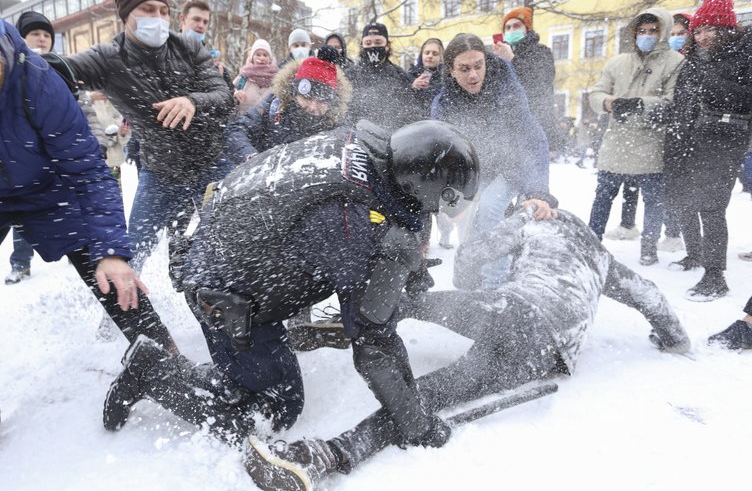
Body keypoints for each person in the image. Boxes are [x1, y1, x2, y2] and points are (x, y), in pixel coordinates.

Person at [243, 206, 691, 491]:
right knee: (424, 398)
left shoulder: (539, 223)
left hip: (513, 311)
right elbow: (652, 298)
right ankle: (329, 455)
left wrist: (520, 219)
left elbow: (476, 252)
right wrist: (673, 339)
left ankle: (361, 321)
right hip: (543, 353)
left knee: (413, 304)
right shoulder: (604, 259)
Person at [101, 120, 480, 455]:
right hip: (226, 292)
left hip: (234, 250)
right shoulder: (353, 221)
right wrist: (418, 426)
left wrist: (405, 269)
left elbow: (401, 217)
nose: (440, 210)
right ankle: (152, 373)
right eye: (445, 198)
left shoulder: (362, 149)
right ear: (421, 180)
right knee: (276, 406)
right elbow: (374, 347)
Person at [0, 0, 176, 472]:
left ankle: (165, 358)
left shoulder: (37, 81)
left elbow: (88, 172)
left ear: (0, 56)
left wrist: (112, 251)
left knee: (109, 268)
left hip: (47, 189)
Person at [66, 0, 248, 272]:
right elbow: (61, 70)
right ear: (126, 16)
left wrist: (192, 101)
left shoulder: (189, 47)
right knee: (132, 250)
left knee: (243, 232)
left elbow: (224, 98)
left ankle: (242, 299)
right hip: (160, 172)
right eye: (148, 10)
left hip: (211, 164)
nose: (158, 18)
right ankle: (121, 312)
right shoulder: (109, 58)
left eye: (163, 11)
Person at [430, 33, 552, 289]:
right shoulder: (443, 104)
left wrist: (538, 191)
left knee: (489, 209)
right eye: (464, 69)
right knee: (466, 221)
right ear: (451, 71)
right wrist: (450, 197)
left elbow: (531, 139)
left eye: (478, 66)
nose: (473, 75)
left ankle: (494, 286)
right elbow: (444, 154)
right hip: (474, 171)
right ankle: (470, 279)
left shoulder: (507, 89)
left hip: (511, 166)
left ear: (486, 61)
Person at [663, 0, 752, 300]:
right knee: (685, 198)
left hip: (727, 134)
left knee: (712, 206)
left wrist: (709, 83)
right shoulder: (695, 59)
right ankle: (694, 254)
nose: (702, 37)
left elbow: (741, 95)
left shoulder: (745, 53)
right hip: (691, 136)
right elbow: (684, 98)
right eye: (698, 31)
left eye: (709, 30)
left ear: (726, 28)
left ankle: (715, 277)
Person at [587, 7, 684, 266]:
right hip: (617, 141)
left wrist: (641, 104)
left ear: (663, 32)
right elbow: (595, 93)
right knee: (603, 196)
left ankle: (649, 247)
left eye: (653, 31)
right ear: (634, 33)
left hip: (650, 142)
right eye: (642, 31)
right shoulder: (618, 63)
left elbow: (673, 101)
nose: (647, 36)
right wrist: (609, 102)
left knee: (652, 200)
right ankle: (591, 243)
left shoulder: (675, 62)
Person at [1, 10, 60, 285]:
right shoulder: (12, 70)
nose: (42, 39)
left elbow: (84, 112)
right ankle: (20, 262)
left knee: (73, 208)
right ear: (21, 38)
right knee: (23, 215)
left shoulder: (61, 68)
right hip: (26, 159)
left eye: (47, 35)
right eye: (35, 33)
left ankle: (83, 256)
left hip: (61, 155)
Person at [226, 47, 351, 152]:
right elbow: (237, 131)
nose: (313, 107)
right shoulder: (273, 105)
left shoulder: (338, 122)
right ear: (293, 93)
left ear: (332, 102)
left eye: (322, 101)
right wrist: (252, 159)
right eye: (307, 98)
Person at [492, 7, 564, 157]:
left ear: (527, 29)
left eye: (517, 26)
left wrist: (512, 60)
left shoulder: (541, 52)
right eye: (508, 27)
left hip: (535, 126)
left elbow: (538, 83)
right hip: (507, 130)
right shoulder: (502, 55)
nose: (512, 30)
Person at [346, 23, 417, 131]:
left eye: (378, 42)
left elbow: (410, 110)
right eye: (368, 43)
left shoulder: (401, 75)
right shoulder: (350, 75)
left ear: (387, 45)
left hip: (391, 136)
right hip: (356, 137)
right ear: (362, 46)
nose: (373, 46)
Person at [232, 39, 278, 115]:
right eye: (258, 54)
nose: (262, 58)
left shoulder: (276, 79)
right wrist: (235, 93)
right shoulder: (243, 77)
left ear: (270, 59)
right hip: (243, 123)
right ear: (252, 57)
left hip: (267, 125)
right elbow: (228, 92)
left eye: (265, 55)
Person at [408, 38, 445, 115]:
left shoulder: (446, 78)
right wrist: (413, 87)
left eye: (435, 53)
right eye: (427, 53)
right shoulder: (410, 75)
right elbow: (402, 99)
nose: (430, 56)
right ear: (421, 55)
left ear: (441, 57)